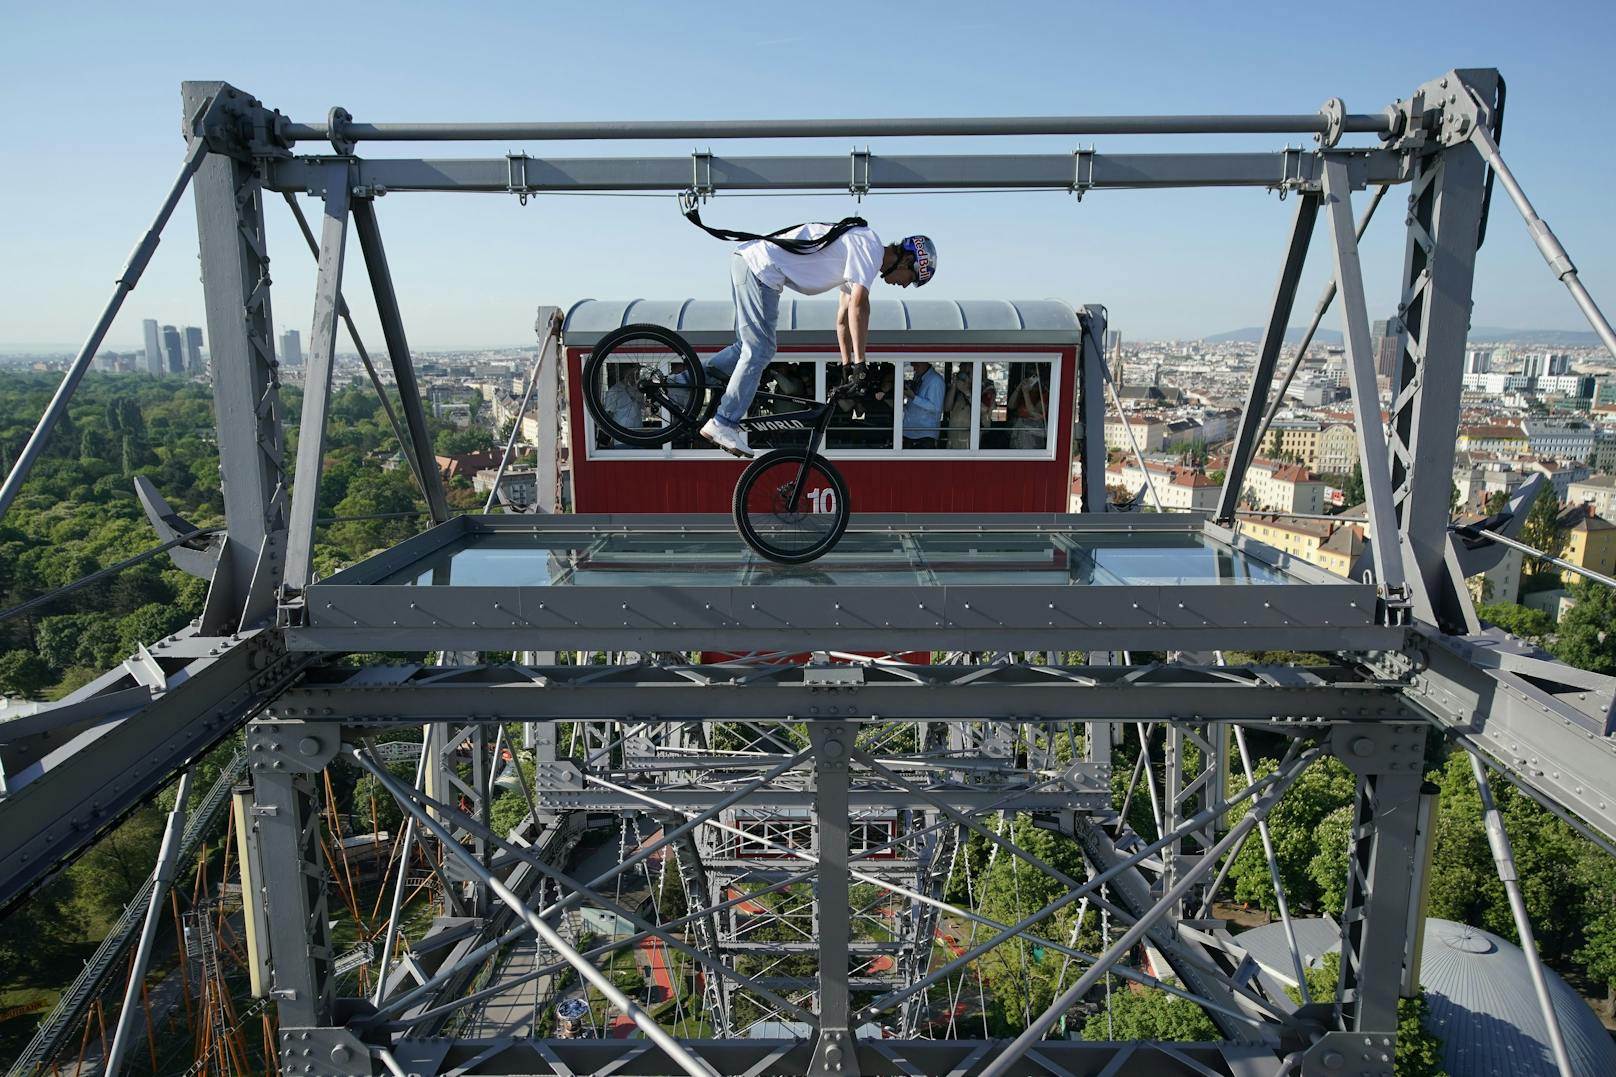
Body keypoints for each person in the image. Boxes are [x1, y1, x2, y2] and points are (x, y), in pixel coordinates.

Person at [697, 228, 938, 457]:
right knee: (758, 349)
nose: (906, 285)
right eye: (912, 277)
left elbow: (842, 319)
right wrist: (861, 365)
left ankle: (688, 379)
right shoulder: (870, 248)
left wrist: (846, 366)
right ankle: (724, 421)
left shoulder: (861, 259)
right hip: (761, 268)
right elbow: (859, 307)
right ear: (906, 260)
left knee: (750, 347)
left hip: (756, 266)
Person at [902, 361, 946, 449]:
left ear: (923, 363)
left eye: (916, 366)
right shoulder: (919, 377)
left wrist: (914, 397)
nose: (914, 369)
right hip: (910, 432)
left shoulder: (935, 381)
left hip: (924, 436)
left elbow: (935, 408)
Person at [1007, 367, 1048, 449]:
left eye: (1034, 376)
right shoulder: (1023, 391)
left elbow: (1035, 414)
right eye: (1029, 376)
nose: (1031, 379)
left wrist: (1026, 393)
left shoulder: (1044, 395)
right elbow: (1011, 405)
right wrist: (1020, 387)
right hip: (1018, 434)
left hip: (1032, 437)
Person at [943, 367, 974, 449]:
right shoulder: (958, 393)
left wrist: (966, 391)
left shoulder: (979, 391)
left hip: (968, 439)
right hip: (953, 437)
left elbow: (983, 409)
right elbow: (947, 408)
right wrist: (954, 386)